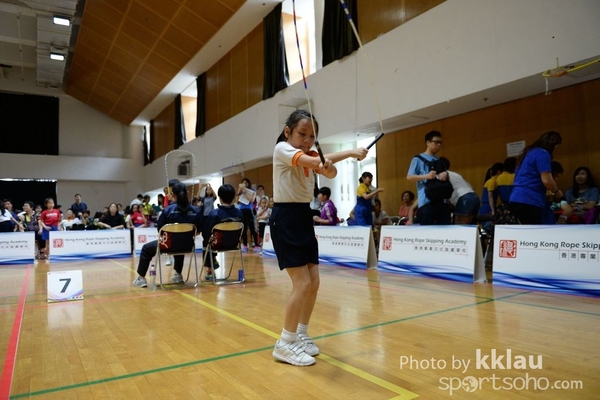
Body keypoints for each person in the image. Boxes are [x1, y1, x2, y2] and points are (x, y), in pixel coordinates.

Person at [270, 109, 367, 366]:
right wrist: (330, 164)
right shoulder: (282, 149)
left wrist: (347, 156)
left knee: (313, 281)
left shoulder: (308, 155)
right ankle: (285, 343)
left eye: (312, 136)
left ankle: (300, 334)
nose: (307, 140)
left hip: (303, 216)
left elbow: (326, 166)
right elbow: (317, 163)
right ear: (288, 131)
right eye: (302, 134)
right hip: (286, 217)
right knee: (302, 282)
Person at [133, 183, 203, 287]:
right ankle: (178, 275)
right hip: (188, 245)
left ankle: (141, 278)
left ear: (173, 195)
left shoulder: (168, 210)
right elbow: (198, 231)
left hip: (168, 245)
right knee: (180, 244)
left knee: (146, 249)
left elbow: (160, 230)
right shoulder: (195, 210)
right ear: (187, 193)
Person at [509, 131, 563, 224]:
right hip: (530, 199)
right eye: (555, 147)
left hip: (515, 198)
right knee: (534, 231)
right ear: (553, 145)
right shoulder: (543, 154)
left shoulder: (527, 153)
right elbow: (546, 180)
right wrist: (557, 192)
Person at [406, 130, 452, 225]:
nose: (438, 145)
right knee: (426, 231)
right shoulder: (417, 159)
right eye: (436, 142)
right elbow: (409, 177)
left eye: (440, 143)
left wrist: (445, 174)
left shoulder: (439, 160)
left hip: (442, 201)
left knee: (445, 230)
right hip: (426, 202)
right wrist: (427, 176)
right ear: (428, 142)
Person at [201, 184, 243, 281]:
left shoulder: (214, 214)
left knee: (206, 242)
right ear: (233, 198)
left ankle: (210, 272)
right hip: (234, 244)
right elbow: (243, 230)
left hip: (218, 244)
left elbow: (206, 234)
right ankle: (213, 260)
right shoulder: (239, 213)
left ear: (220, 198)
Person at [237, 178, 260, 253]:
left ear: (248, 184)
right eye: (243, 183)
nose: (244, 184)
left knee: (252, 228)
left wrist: (245, 192)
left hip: (249, 210)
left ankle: (257, 245)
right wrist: (239, 192)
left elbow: (252, 200)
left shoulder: (252, 191)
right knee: (244, 229)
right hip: (241, 210)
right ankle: (245, 245)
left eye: (246, 183)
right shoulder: (240, 191)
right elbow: (237, 201)